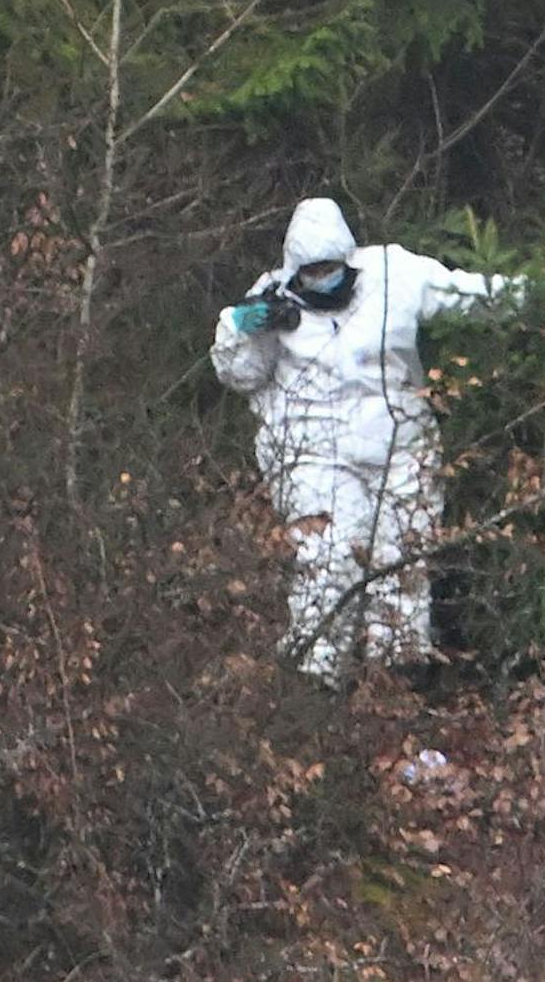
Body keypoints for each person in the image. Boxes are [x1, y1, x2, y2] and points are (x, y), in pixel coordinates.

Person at [211, 197, 520, 684]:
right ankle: (315, 681)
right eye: (313, 271)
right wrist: (241, 330)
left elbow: (469, 296)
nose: (323, 278)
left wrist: (532, 295)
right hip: (313, 454)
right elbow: (241, 377)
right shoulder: (271, 298)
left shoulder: (393, 274)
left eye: (331, 268)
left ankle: (396, 680)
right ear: (296, 270)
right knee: (325, 559)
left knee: (402, 563)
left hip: (401, 447)